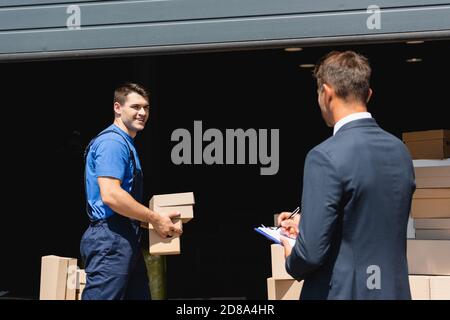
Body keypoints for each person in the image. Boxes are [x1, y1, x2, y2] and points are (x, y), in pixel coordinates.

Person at [277, 51, 415, 300]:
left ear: (326, 93)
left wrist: (290, 255)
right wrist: (307, 224)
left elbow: (310, 255)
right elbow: (369, 220)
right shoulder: (400, 151)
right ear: (369, 94)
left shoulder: (324, 156)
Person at [81, 83, 182, 300]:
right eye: (135, 107)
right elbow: (111, 195)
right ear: (118, 108)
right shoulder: (112, 142)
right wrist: (154, 218)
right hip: (111, 238)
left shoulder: (126, 144)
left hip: (124, 237)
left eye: (146, 107)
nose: (143, 113)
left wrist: (158, 221)